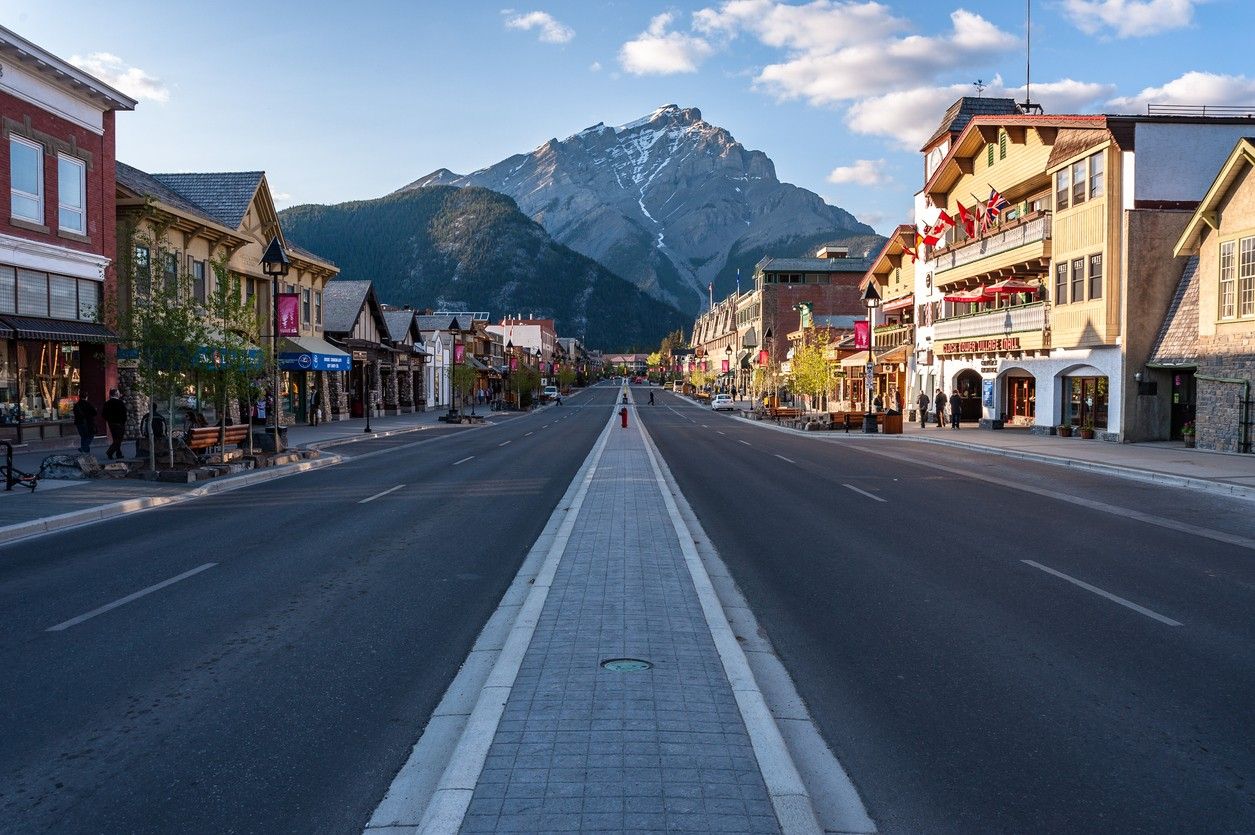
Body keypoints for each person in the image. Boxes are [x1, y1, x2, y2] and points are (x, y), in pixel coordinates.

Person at [102, 388, 127, 459]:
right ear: (116, 394)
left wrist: (109, 420)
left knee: (115, 439)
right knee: (118, 440)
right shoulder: (120, 403)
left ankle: (119, 454)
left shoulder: (107, 403)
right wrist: (123, 422)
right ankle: (110, 452)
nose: (119, 394)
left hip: (111, 423)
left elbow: (104, 414)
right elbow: (124, 414)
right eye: (118, 393)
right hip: (119, 423)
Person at [72, 390, 97, 455]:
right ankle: (84, 448)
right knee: (90, 436)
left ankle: (86, 453)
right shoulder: (88, 404)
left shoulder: (76, 405)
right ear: (86, 397)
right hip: (87, 423)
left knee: (83, 436)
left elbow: (75, 413)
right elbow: (94, 413)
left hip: (78, 423)